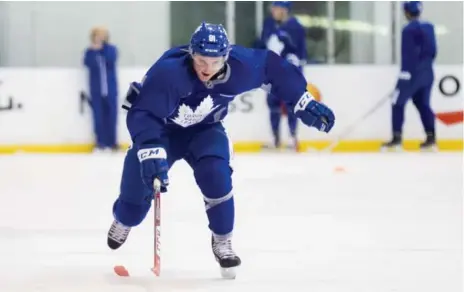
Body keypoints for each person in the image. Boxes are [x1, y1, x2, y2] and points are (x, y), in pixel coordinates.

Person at [106, 22, 335, 278]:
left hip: (206, 131)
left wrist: (302, 100)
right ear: (191, 54)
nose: (207, 69)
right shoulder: (169, 73)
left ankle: (223, 240)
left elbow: (273, 68)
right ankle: (124, 218)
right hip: (162, 133)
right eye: (202, 61)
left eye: (215, 62)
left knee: (216, 175)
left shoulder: (242, 66)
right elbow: (144, 113)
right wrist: (149, 149)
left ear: (226, 56)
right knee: (135, 198)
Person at [382, 1, 437, 151]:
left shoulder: (408, 30)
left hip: (411, 74)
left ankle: (397, 139)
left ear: (406, 12)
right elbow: (433, 52)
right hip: (428, 73)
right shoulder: (429, 27)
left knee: (397, 103)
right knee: (423, 104)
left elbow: (408, 54)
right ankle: (431, 139)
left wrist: (405, 74)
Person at [257, 1, 308, 151]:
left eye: (277, 8)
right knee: (273, 103)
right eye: (273, 7)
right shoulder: (268, 24)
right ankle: (275, 139)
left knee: (292, 104)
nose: (273, 10)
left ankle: (293, 138)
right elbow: (262, 44)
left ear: (285, 10)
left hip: (289, 71)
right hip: (272, 70)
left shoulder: (296, 26)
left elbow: (301, 51)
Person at [83, 26, 119, 152]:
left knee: (112, 116)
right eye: (97, 35)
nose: (100, 37)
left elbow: (111, 60)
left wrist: (101, 49)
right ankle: (100, 143)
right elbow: (88, 63)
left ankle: (113, 143)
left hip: (110, 90)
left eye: (102, 35)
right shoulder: (89, 51)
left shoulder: (111, 49)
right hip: (97, 91)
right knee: (98, 117)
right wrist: (94, 51)